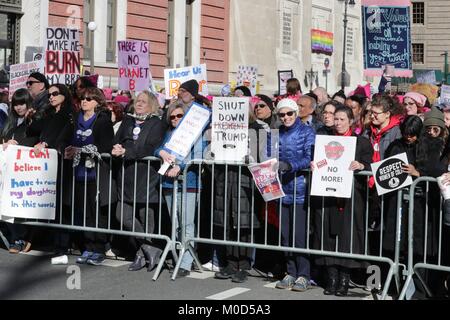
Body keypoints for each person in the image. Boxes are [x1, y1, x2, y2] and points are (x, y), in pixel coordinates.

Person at [311, 105, 373, 296]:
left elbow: (370, 164)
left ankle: (344, 280)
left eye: (341, 119)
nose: (337, 123)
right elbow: (321, 161)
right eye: (335, 119)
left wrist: (361, 165)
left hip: (351, 198)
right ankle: (331, 278)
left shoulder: (361, 142)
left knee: (348, 237)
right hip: (328, 194)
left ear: (351, 121)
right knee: (327, 236)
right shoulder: (324, 141)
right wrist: (315, 164)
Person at [57, 87, 114, 266]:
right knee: (84, 213)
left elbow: (105, 147)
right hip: (78, 173)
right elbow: (62, 139)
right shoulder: (75, 119)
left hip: (96, 173)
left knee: (97, 213)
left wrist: (80, 150)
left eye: (89, 99)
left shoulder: (103, 121)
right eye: (82, 98)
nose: (84, 101)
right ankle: (88, 247)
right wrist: (64, 148)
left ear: (97, 102)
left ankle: (99, 248)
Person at [112, 91, 166, 272]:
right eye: (137, 101)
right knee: (123, 215)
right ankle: (150, 248)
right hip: (127, 176)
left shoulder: (157, 123)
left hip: (147, 177)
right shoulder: (128, 120)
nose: (139, 104)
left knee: (146, 217)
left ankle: (141, 255)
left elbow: (151, 147)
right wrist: (117, 147)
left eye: (143, 101)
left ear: (152, 105)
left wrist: (127, 152)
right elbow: (117, 139)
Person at [212, 105, 264, 283]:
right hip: (225, 180)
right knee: (227, 222)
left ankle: (244, 265)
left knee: (244, 225)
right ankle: (230, 263)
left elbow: (265, 156)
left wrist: (252, 157)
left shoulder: (257, 130)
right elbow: (211, 154)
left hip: (245, 182)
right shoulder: (221, 131)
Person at [156, 101, 208, 278]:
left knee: (186, 224)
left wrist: (182, 166)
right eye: (172, 116)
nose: (175, 119)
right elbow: (158, 148)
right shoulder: (170, 133)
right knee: (176, 225)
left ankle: (186, 262)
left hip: (189, 184)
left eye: (179, 116)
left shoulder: (196, 135)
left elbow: (198, 154)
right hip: (169, 184)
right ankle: (180, 257)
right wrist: (161, 153)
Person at [274, 98, 315, 292]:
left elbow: (309, 157)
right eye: (281, 114)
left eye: (289, 113)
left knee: (299, 236)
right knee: (285, 236)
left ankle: (304, 275)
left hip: (300, 190)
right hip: (281, 190)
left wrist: (290, 166)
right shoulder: (276, 133)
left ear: (296, 113)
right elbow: (269, 155)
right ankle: (290, 272)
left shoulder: (307, 131)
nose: (285, 117)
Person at [1, 89, 37, 253]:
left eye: (22, 103)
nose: (19, 107)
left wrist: (17, 146)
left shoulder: (34, 121)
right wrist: (6, 144)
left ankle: (20, 238)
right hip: (8, 172)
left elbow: (34, 141)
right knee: (6, 208)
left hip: (26, 172)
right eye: (15, 104)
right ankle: (16, 237)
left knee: (19, 208)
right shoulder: (10, 123)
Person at [363, 94, 403, 231]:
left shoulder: (397, 132)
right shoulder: (368, 131)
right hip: (369, 181)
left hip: (386, 182)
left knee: (384, 222)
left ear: (387, 114)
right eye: (371, 112)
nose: (372, 116)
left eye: (376, 113)